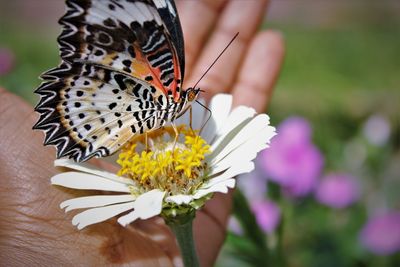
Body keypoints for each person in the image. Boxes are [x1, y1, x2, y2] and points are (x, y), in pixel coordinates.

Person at [0, 0, 284, 266]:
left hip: (107, 111)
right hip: (94, 98)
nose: (195, 98)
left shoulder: (169, 108)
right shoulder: (167, 90)